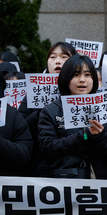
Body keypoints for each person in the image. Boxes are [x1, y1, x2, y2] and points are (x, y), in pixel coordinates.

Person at [37, 54, 107, 179]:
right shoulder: (50, 111)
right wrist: (83, 135)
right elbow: (48, 148)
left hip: (103, 185)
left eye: (87, 74)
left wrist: (100, 136)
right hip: (65, 184)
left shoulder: (105, 107)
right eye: (76, 74)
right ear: (65, 78)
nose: (82, 80)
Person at [18, 41, 77, 174]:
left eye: (64, 57)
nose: (58, 61)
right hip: (41, 166)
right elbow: (21, 130)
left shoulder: (83, 93)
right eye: (52, 57)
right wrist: (43, 110)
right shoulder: (32, 96)